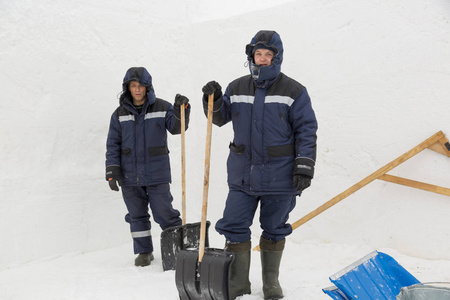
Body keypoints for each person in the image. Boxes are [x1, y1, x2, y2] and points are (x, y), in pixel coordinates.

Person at [201, 30, 318, 299]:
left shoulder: (294, 91)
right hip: (243, 174)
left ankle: (270, 282)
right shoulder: (237, 86)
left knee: (274, 227)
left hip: (281, 176)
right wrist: (215, 99)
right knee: (234, 223)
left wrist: (304, 165)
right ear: (251, 56)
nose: (262, 59)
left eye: (268, 54)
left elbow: (306, 129)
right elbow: (219, 118)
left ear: (276, 57)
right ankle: (239, 283)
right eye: (258, 54)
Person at [105, 67, 190, 267]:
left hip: (156, 174)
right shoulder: (119, 114)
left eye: (141, 86)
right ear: (127, 88)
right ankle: (144, 251)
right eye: (133, 86)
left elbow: (178, 128)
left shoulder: (162, 107)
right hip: (129, 175)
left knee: (164, 213)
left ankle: (177, 250)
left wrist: (182, 110)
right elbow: (112, 144)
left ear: (147, 87)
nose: (137, 90)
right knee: (136, 215)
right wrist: (112, 170)